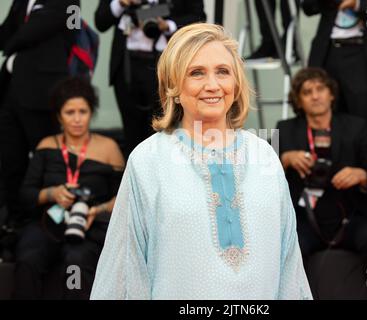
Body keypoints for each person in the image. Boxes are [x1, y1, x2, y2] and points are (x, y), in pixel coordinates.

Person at [90, 23, 312, 300]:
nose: (213, 85)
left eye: (223, 71)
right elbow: (124, 270)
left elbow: (289, 264)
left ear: (236, 82)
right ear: (173, 86)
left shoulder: (265, 155)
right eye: (196, 73)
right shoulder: (147, 160)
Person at [277, 67, 367, 299]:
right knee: (288, 249)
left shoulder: (356, 127)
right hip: (306, 218)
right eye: (307, 92)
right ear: (298, 100)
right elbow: (262, 176)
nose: (315, 96)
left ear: (331, 94)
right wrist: (284, 159)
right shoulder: (285, 130)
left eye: (320, 89)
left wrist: (361, 175)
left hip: (350, 216)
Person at [12, 77, 125, 300]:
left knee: (76, 262)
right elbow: (25, 195)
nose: (76, 119)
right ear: (58, 116)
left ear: (91, 113)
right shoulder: (46, 146)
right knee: (28, 258)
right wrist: (52, 193)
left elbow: (125, 198)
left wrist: (97, 210)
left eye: (82, 111)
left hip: (90, 224)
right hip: (49, 222)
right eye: (69, 112)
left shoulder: (109, 148)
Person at [0, 0, 80, 226]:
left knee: (48, 160)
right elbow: (7, 32)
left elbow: (67, 27)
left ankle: (50, 222)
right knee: (11, 161)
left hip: (43, 94)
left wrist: (12, 43)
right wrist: (10, 40)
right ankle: (14, 223)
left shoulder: (70, 3)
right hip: (10, 92)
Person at [94, 0, 206, 157]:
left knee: (163, 131)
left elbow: (199, 17)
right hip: (126, 67)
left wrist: (168, 26)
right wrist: (121, 3)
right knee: (131, 131)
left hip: (163, 66)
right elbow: (100, 21)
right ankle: (133, 176)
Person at [302, 0, 367, 164]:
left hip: (363, 53)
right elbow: (308, 7)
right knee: (326, 123)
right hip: (328, 52)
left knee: (366, 122)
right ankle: (327, 177)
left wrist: (358, 4)